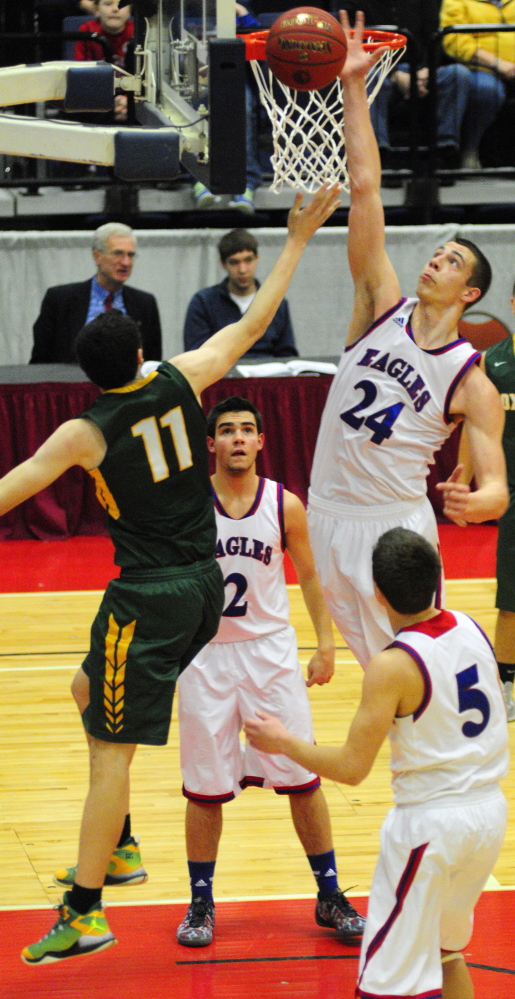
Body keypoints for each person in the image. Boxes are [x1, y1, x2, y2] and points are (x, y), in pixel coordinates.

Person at [0, 184, 340, 965]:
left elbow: (11, 488)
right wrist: (293, 241)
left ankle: (86, 905)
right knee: (88, 689)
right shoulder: (181, 376)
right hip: (199, 587)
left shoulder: (83, 431)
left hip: (147, 594)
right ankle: (114, 843)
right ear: (142, 356)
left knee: (111, 754)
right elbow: (253, 323)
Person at [307, 12, 508, 670]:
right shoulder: (377, 306)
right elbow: (365, 190)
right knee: (377, 679)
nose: (433, 262)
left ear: (469, 293)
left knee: (415, 673)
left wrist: (477, 502)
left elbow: (497, 490)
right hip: (325, 512)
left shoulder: (469, 378)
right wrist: (353, 88)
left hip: (393, 526)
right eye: (436, 253)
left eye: (450, 262)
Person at [245, 526, 509, 999]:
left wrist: (284, 742)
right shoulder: (471, 627)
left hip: (431, 826)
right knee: (447, 953)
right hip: (488, 816)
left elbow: (351, 768)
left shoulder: (393, 665)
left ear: (379, 595)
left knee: (384, 982)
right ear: (436, 576)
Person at [175, 396, 365, 948]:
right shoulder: (190, 505)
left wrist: (326, 644)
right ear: (210, 445)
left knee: (303, 777)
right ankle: (201, 903)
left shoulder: (285, 504)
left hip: (269, 656)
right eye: (227, 431)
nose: (238, 438)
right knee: (204, 789)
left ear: (261, 441)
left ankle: (329, 895)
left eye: (247, 430)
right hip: (205, 657)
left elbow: (309, 575)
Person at [459, 285, 515, 722]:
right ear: (513, 305)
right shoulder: (491, 363)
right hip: (511, 492)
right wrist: (465, 474)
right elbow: (471, 425)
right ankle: (508, 684)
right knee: (511, 595)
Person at [346, 0, 472, 174]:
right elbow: (357, 44)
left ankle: (445, 152)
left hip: (422, 70)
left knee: (458, 74)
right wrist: (395, 74)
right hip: (381, 70)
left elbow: (436, 34)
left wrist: (428, 70)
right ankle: (380, 156)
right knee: (369, 77)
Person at [30, 222, 162, 365]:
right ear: (97, 256)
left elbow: (152, 365)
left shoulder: (144, 304)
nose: (126, 262)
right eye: (118, 253)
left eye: (130, 255)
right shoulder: (60, 300)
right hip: (71, 384)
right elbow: (40, 362)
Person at [192, 3, 263, 212]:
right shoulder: (191, 9)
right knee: (196, 106)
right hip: (199, 75)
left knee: (243, 107)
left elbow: (257, 36)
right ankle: (200, 177)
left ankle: (246, 184)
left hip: (236, 74)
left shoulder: (238, 9)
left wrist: (238, 10)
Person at [183, 228, 298, 356]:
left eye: (248, 260)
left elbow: (287, 353)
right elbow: (196, 354)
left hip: (267, 373)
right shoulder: (203, 302)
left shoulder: (276, 302)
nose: (242, 269)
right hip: (220, 373)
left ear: (257, 258)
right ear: (223, 264)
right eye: (234, 262)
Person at [440, 0, 513, 168]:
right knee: (486, 91)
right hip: (480, 66)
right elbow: (454, 40)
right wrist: (498, 63)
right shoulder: (456, 2)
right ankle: (471, 149)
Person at [74, 0, 134, 120]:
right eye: (108, 4)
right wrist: (109, 100)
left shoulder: (137, 33)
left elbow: (144, 77)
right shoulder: (87, 31)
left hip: (130, 96)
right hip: (96, 97)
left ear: (129, 12)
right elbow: (80, 75)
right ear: (96, 10)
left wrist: (127, 99)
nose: (115, 9)